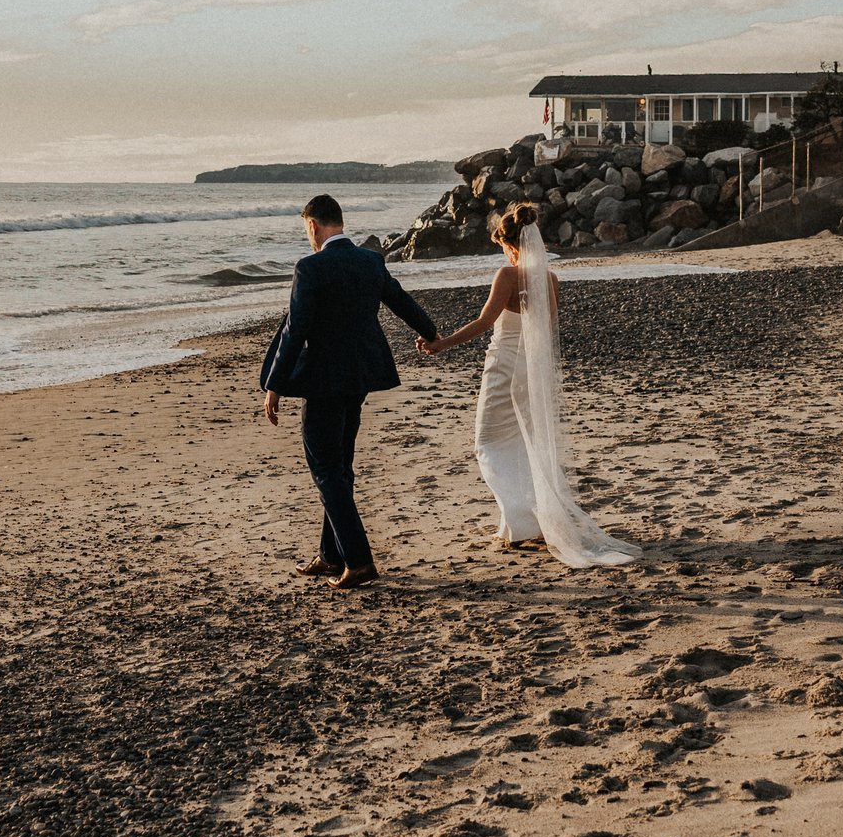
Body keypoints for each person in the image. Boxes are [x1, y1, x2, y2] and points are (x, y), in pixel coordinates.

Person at [420, 203, 637, 569]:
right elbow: (545, 330)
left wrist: (442, 344)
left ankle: (522, 523)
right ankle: (517, 524)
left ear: (510, 245)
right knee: (522, 441)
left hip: (504, 365)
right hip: (530, 368)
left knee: (487, 442)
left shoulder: (507, 274)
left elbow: (484, 322)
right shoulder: (549, 279)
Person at [260, 195, 441, 590]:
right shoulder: (370, 261)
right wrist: (430, 333)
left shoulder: (310, 267)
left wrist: (274, 384)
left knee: (326, 468)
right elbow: (401, 301)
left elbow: (296, 330)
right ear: (340, 222)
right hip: (359, 378)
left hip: (323, 382)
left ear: (313, 225)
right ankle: (332, 555)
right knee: (340, 466)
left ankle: (358, 560)